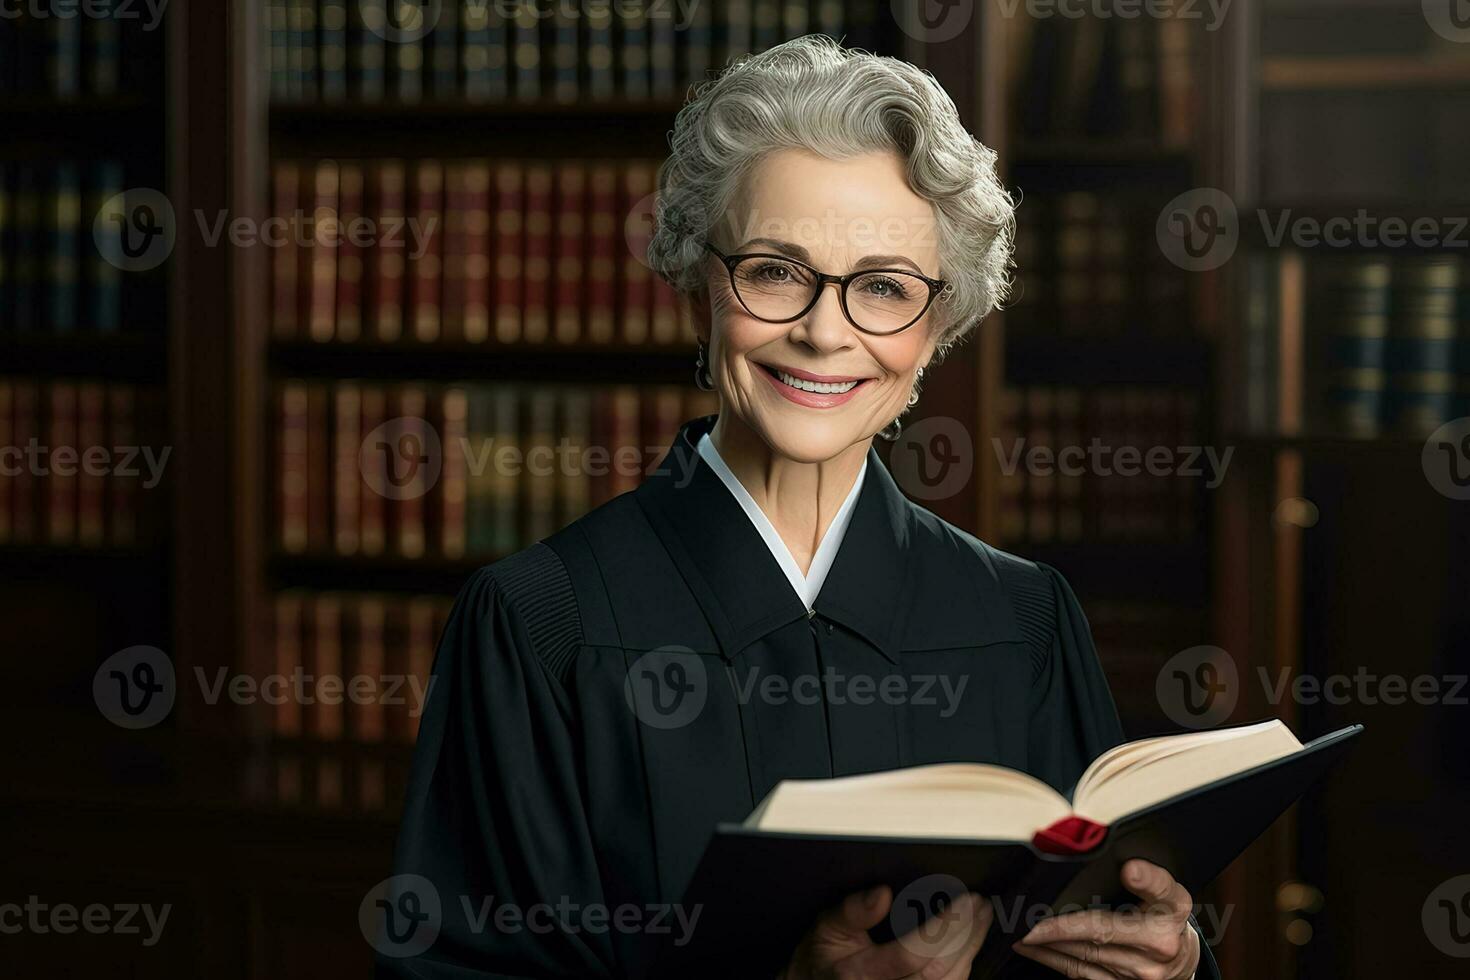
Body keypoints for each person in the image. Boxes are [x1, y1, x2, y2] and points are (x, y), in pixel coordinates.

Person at [381, 35, 1216, 980]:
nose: (825, 332)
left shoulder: (1021, 620)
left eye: (885, 289)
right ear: (702, 276)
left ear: (939, 326)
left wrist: (1168, 964)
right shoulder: (541, 624)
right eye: (776, 271)